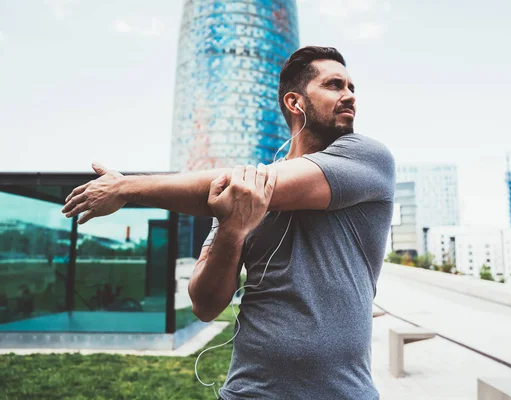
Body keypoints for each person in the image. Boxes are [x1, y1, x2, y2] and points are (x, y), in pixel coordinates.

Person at [62, 46, 395, 399]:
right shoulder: (239, 194)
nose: (350, 97)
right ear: (295, 103)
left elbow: (257, 186)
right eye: (334, 85)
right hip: (248, 392)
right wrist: (233, 230)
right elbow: (205, 306)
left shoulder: (367, 158)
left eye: (352, 88)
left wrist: (125, 186)